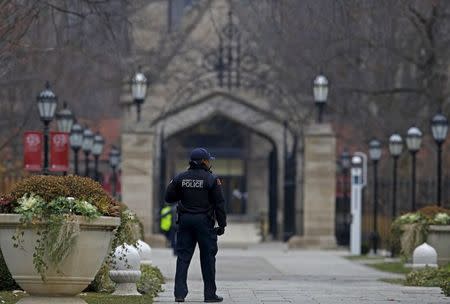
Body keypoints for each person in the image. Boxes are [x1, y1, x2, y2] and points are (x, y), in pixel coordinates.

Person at [165, 147, 227, 303]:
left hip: (185, 221)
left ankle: (179, 294)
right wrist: (222, 225)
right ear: (204, 161)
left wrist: (182, 193)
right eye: (209, 160)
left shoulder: (180, 178)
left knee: (183, 257)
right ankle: (209, 295)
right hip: (204, 223)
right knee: (207, 258)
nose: (210, 163)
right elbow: (219, 204)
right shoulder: (212, 179)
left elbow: (168, 197)